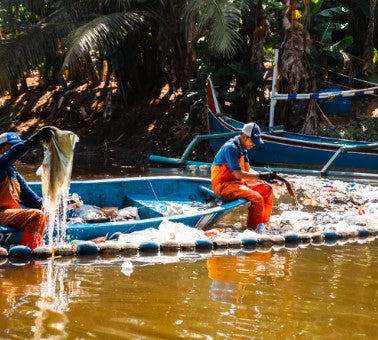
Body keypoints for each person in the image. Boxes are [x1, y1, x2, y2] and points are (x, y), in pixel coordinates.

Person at [211, 122, 277, 232]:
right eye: (252, 141)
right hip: (223, 185)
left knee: (267, 189)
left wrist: (268, 179)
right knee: (257, 197)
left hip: (238, 183)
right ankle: (253, 230)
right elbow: (238, 173)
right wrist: (261, 176)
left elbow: (248, 171)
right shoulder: (230, 148)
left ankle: (263, 223)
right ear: (244, 136)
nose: (254, 145)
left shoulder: (243, 148)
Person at [0, 127, 53, 249]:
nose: (16, 153)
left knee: (47, 213)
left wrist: (61, 203)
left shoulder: (16, 176)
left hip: (8, 215)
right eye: (11, 147)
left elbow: (36, 202)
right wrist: (34, 139)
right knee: (37, 216)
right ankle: (27, 255)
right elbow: (12, 154)